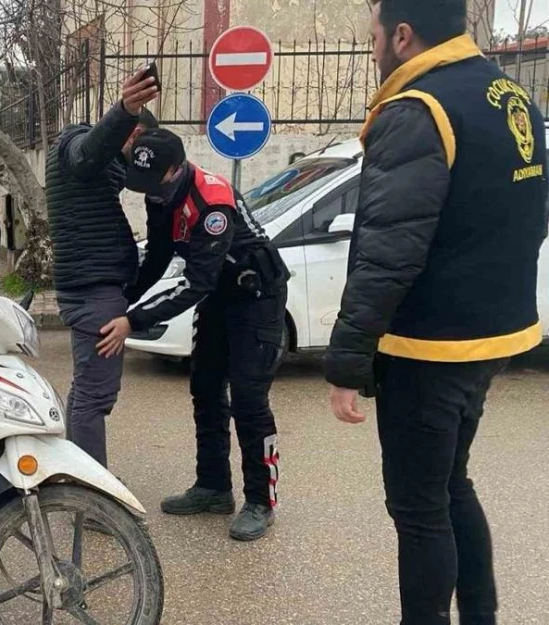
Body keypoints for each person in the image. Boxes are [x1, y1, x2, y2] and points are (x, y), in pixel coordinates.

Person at [325, 1, 547, 623]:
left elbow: (386, 251)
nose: (373, 49)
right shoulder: (511, 95)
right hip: (493, 335)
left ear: (402, 34)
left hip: (428, 346)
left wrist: (347, 363)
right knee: (453, 486)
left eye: (373, 35)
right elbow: (533, 213)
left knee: (420, 511)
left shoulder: (417, 107)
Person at [97, 128, 289, 541]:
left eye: (154, 183)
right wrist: (123, 297)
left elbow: (196, 282)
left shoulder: (212, 204)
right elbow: (161, 254)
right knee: (204, 388)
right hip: (220, 294)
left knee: (250, 402)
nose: (148, 192)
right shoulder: (158, 191)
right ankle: (213, 487)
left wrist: (134, 320)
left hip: (256, 297)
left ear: (176, 169)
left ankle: (261, 501)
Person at [45, 67, 158, 469]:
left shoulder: (98, 170)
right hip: (96, 292)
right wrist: (126, 110)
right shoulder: (76, 145)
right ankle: (93, 495)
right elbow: (88, 154)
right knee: (96, 396)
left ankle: (76, 473)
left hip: (91, 286)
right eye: (137, 144)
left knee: (84, 392)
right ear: (131, 134)